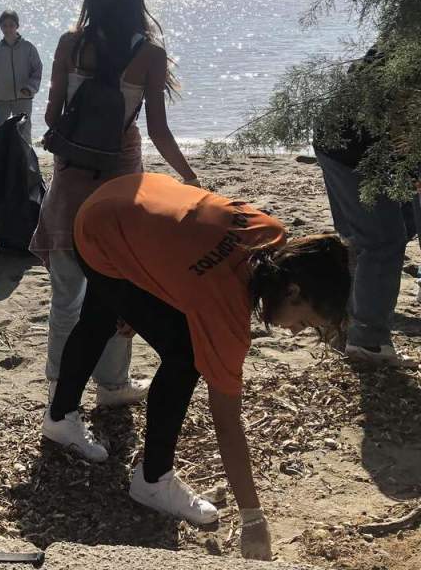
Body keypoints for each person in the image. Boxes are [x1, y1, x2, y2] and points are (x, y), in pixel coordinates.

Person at [44, 172, 350, 560]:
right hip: (102, 232)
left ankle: (59, 417)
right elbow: (227, 423)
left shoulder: (270, 234)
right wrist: (252, 517)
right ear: (292, 290)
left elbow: (188, 259)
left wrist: (139, 297)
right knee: (185, 355)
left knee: (102, 317)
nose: (294, 331)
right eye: (303, 321)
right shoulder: (224, 311)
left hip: (125, 197)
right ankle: (153, 479)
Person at [30, 0, 200, 413]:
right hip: (120, 187)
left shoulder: (70, 44)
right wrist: (189, 177)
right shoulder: (150, 55)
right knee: (119, 292)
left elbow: (51, 117)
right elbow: (159, 131)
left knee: (66, 299)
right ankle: (112, 385)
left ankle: (59, 393)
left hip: (70, 182)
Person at [313, 47, 418, 367]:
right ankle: (367, 341)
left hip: (355, 143)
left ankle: (342, 322)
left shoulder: (402, 35)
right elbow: (401, 120)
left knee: (400, 225)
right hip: (351, 150)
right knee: (381, 241)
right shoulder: (408, 47)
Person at [0, 10, 42, 144]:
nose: (8, 29)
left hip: (23, 99)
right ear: (0, 27)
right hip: (1, 100)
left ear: (17, 26)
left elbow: (37, 70)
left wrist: (30, 88)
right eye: (4, 25)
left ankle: (26, 157)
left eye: (11, 25)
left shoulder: (28, 47)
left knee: (24, 135)